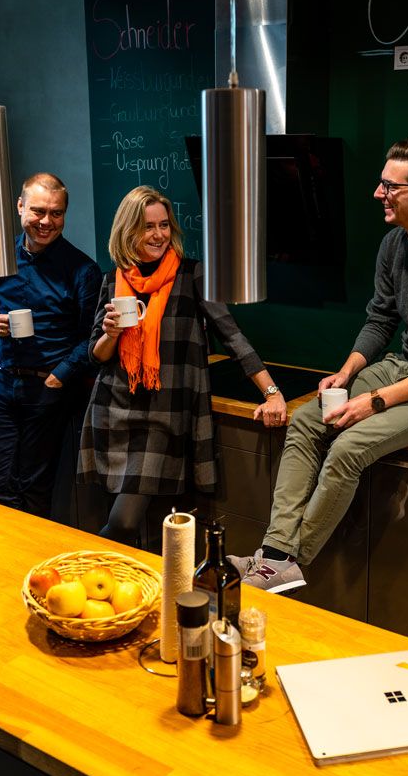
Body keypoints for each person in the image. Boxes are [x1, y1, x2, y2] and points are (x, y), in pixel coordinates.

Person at [230, 138, 408, 592]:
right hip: (401, 367)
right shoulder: (394, 244)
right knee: (306, 422)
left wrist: (373, 402)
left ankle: (292, 561)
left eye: (389, 186)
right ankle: (275, 555)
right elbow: (381, 319)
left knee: (349, 446)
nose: (379, 193)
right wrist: (347, 372)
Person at [78, 186, 289, 544]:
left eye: (164, 225)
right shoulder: (113, 280)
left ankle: (86, 561)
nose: (158, 234)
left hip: (164, 414)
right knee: (134, 528)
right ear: (128, 230)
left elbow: (232, 336)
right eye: (147, 226)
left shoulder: (192, 275)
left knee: (124, 521)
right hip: (113, 410)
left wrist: (272, 392)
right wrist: (111, 334)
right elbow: (96, 355)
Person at [0, 173, 101, 518]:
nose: (47, 222)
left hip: (48, 388)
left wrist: (61, 374)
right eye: (38, 211)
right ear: (20, 206)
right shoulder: (0, 257)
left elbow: (91, 337)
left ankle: (31, 549)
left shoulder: (82, 269)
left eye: (56, 213)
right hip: (4, 382)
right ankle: (5, 545)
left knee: (33, 486)